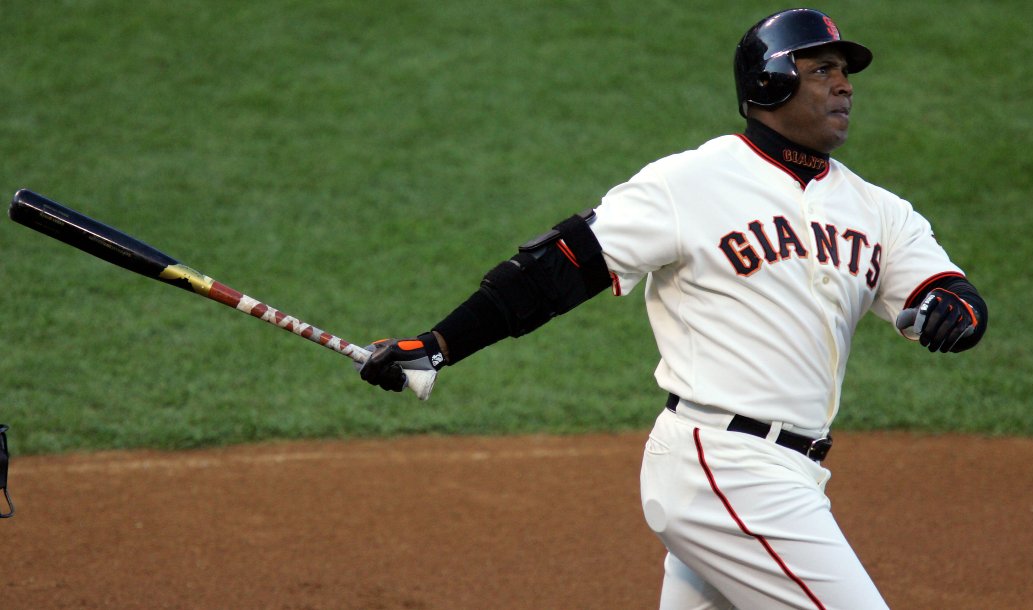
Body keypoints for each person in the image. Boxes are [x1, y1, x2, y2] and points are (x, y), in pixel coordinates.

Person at [356, 8, 987, 609]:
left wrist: (952, 312)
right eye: (822, 70)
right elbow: (558, 267)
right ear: (770, 82)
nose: (845, 87)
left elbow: (950, 291)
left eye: (845, 73)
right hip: (724, 468)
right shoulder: (692, 182)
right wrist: (438, 343)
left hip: (786, 474)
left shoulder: (878, 210)